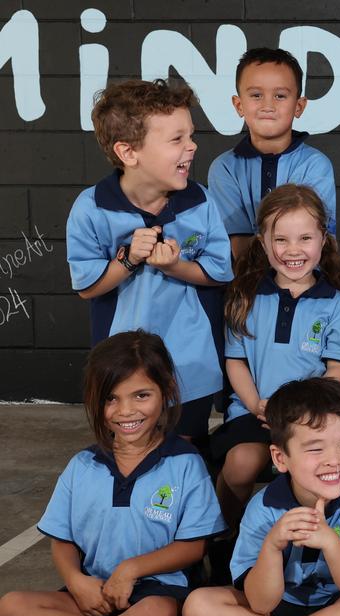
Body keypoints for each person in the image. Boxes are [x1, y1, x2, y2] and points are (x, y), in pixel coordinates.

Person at [0, 331, 225, 616]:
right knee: (10, 606)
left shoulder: (185, 463)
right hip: (95, 595)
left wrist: (132, 569)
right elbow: (62, 540)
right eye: (111, 399)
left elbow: (194, 546)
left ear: (165, 392)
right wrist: (75, 582)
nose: (126, 411)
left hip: (156, 594)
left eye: (141, 395)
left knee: (155, 615)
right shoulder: (82, 465)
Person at [157, 378, 340, 616]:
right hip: (277, 614)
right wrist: (272, 547)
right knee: (198, 606)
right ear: (281, 458)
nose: (334, 459)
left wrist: (330, 543)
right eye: (315, 448)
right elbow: (260, 604)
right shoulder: (264, 508)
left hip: (337, 609)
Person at [66, 79, 233, 443]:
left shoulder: (200, 200)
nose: (192, 146)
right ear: (128, 152)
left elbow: (220, 273)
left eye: (191, 135)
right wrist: (126, 261)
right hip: (123, 366)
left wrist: (175, 266)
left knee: (188, 450)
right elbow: (87, 287)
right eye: (177, 139)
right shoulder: (91, 208)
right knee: (131, 449)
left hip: (191, 362)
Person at [210, 183, 340, 534]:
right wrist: (255, 404)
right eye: (281, 240)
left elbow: (337, 369)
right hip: (256, 412)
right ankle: (224, 537)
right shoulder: (245, 297)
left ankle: (310, 541)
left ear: (322, 240)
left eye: (304, 239)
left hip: (310, 418)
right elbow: (235, 361)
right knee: (240, 464)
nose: (292, 250)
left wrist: (302, 410)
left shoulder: (335, 304)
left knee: (312, 469)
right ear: (263, 241)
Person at [208, 47, 337, 261]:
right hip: (246, 284)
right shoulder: (224, 168)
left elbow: (319, 242)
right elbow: (236, 246)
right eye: (256, 95)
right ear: (239, 105)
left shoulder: (316, 165)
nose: (268, 105)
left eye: (280, 96)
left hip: (305, 284)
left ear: (299, 106)